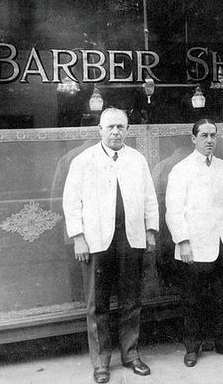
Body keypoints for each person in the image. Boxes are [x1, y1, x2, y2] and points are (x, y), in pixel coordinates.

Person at [62, 107, 159, 383]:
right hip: (96, 240)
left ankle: (131, 354)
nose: (115, 132)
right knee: (98, 304)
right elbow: (71, 202)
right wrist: (79, 237)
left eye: (121, 127)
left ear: (127, 130)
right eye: (110, 127)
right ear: (100, 131)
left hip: (130, 238)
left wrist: (150, 231)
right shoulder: (84, 160)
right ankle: (101, 362)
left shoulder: (137, 159)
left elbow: (149, 197)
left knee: (131, 300)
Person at [165, 118, 223, 367]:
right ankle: (192, 347)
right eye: (204, 136)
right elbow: (173, 210)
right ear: (193, 139)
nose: (210, 140)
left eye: (213, 135)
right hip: (195, 245)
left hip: (222, 242)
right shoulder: (181, 169)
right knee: (192, 300)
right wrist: (183, 241)